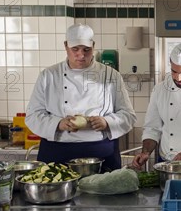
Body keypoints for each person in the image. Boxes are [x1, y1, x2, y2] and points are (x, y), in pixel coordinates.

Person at [26, 24, 136, 171]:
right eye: (75, 49)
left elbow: (128, 116)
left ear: (94, 46)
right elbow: (32, 116)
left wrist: (107, 122)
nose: (81, 55)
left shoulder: (111, 75)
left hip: (99, 152)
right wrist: (58, 123)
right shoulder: (49, 75)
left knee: (104, 193)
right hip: (57, 152)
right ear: (66, 46)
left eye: (86, 50)